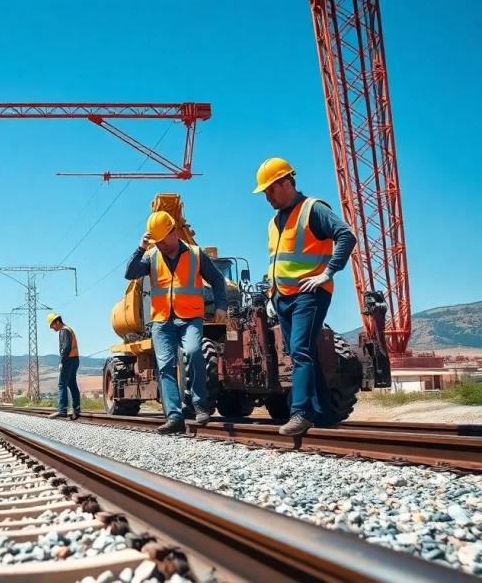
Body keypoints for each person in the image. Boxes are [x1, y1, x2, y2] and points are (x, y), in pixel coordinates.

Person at [253, 157, 356, 436]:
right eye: (264, 192)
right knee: (303, 352)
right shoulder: (274, 222)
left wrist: (328, 273)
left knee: (299, 351)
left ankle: (300, 413)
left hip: (309, 294)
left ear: (286, 182)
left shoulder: (313, 209)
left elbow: (346, 236)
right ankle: (323, 412)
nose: (267, 196)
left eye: (270, 190)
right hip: (282, 297)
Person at [124, 210, 228, 434]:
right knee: (165, 367)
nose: (159, 244)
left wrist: (221, 306)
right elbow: (130, 273)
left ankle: (200, 405)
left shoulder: (196, 253)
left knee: (193, 352)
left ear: (173, 232)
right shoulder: (151, 256)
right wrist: (140, 248)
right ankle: (174, 417)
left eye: (161, 240)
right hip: (162, 320)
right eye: (155, 241)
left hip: (190, 317)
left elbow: (218, 279)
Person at [46, 313, 81, 420]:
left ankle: (62, 410)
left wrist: (62, 361)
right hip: (75, 359)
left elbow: (65, 347)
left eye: (53, 326)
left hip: (68, 360)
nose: (53, 328)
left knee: (62, 384)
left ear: (57, 322)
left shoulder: (64, 331)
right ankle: (77, 409)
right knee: (72, 384)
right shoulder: (68, 329)